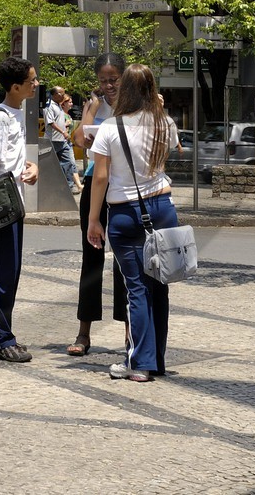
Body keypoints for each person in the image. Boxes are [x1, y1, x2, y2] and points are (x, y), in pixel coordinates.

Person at [86, 63, 182, 382]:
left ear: (124, 89)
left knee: (136, 289)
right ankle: (156, 361)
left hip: (126, 212)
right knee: (160, 286)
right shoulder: (163, 123)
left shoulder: (111, 128)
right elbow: (174, 151)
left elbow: (100, 177)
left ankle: (138, 363)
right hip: (163, 207)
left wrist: (93, 220)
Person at [0, 55, 40, 362]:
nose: (36, 84)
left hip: (16, 202)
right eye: (31, 81)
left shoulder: (16, 112)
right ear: (15, 86)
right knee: (0, 274)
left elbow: (9, 160)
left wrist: (31, 166)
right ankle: (2, 339)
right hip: (1, 207)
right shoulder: (1, 117)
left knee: (10, 273)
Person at [69, 52, 127, 357]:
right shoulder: (94, 104)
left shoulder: (134, 106)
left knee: (126, 260)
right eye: (103, 80)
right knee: (91, 258)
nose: (108, 85)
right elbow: (79, 140)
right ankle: (84, 332)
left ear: (124, 77)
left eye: (113, 79)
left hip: (124, 185)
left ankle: (131, 331)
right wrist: (89, 112)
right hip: (95, 184)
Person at [45, 85, 79, 191]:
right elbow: (51, 122)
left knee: (68, 162)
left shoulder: (58, 105)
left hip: (62, 140)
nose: (63, 95)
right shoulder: (49, 106)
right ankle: (49, 185)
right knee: (50, 164)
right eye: (62, 93)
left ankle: (69, 186)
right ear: (55, 94)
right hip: (53, 140)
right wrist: (63, 131)